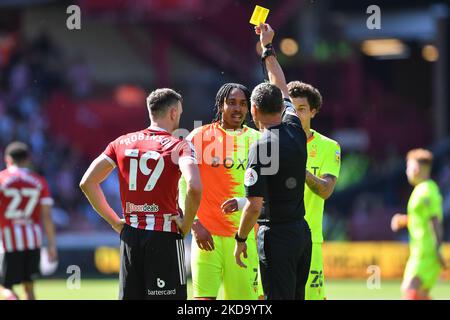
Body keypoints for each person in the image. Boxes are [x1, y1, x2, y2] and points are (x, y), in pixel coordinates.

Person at [79, 88, 202, 300]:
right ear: (173, 113)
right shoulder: (179, 146)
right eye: (179, 114)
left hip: (130, 235)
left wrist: (114, 221)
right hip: (163, 235)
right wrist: (187, 223)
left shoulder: (121, 143)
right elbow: (194, 186)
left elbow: (87, 182)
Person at [234, 23, 312, 300]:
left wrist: (241, 239)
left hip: (275, 236)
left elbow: (254, 206)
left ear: (253, 110)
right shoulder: (296, 128)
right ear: (283, 106)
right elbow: (280, 83)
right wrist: (267, 48)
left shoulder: (260, 147)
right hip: (302, 233)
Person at [178, 83, 263, 299]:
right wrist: (194, 225)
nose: (238, 109)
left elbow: (269, 191)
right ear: (220, 105)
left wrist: (243, 202)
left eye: (243, 104)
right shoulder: (198, 137)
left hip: (245, 238)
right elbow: (181, 186)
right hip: (207, 238)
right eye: (232, 103)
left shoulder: (259, 141)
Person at [287, 81, 341, 300]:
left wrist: (301, 168)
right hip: (274, 236)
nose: (295, 114)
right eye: (291, 109)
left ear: (313, 111)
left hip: (310, 238)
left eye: (301, 109)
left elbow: (326, 190)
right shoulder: (271, 143)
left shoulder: (329, 146)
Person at [0, 141, 57, 300]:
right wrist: (52, 245)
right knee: (29, 287)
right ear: (28, 159)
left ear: (7, 159)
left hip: (7, 241)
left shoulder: (2, 179)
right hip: (33, 240)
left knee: (5, 288)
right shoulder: (39, 181)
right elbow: (46, 216)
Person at [391, 148, 445, 300]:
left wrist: (438, 249)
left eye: (409, 166)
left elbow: (435, 220)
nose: (407, 171)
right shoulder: (421, 189)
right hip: (419, 251)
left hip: (427, 252)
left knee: (410, 289)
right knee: (418, 293)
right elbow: (421, 218)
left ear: (418, 168)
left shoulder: (426, 191)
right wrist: (404, 220)